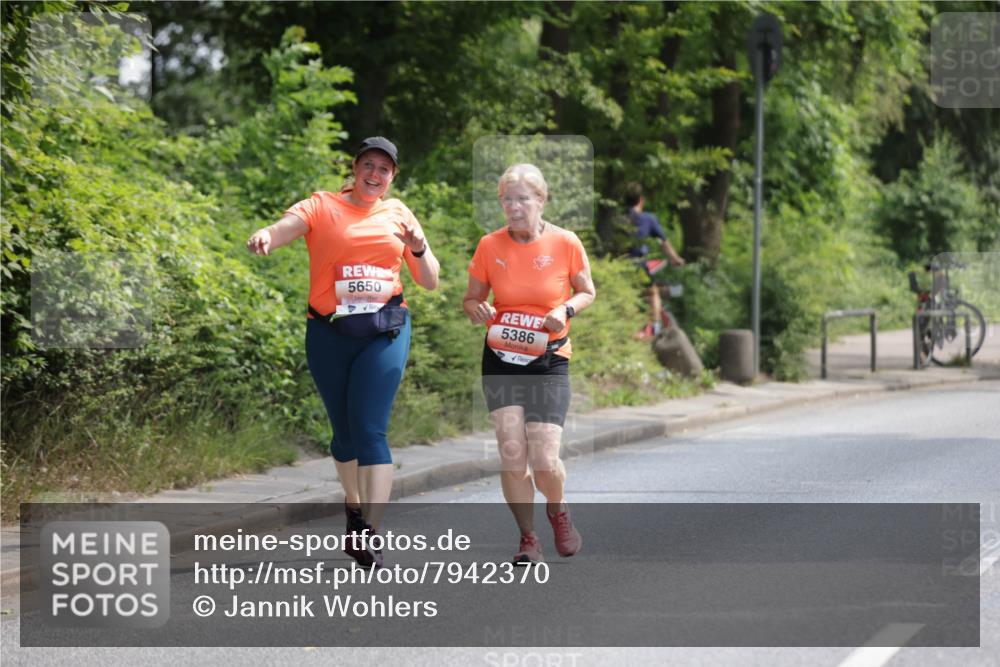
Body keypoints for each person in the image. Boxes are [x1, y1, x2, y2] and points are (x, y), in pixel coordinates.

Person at [246, 137, 440, 568]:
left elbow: (429, 280)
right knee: (343, 436)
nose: (375, 174)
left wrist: (419, 247)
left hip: (384, 331)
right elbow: (284, 228)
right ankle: (353, 509)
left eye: (384, 169)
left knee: (370, 431)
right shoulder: (322, 205)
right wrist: (265, 236)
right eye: (368, 165)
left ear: (392, 177)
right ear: (354, 168)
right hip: (328, 331)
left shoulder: (399, 213)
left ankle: (370, 530)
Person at [463, 164, 596, 564]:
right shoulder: (490, 245)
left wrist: (565, 309)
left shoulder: (566, 242)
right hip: (501, 356)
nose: (514, 206)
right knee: (511, 451)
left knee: (543, 459)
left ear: (541, 200)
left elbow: (586, 290)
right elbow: (471, 298)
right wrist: (477, 308)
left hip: (549, 360)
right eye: (507, 199)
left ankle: (557, 509)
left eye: (523, 198)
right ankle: (527, 538)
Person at [624, 182, 685, 339]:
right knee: (653, 293)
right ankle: (656, 327)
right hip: (638, 264)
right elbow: (664, 242)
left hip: (619, 265)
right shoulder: (648, 219)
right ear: (641, 200)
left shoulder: (618, 219)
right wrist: (676, 259)